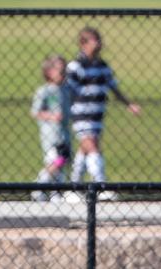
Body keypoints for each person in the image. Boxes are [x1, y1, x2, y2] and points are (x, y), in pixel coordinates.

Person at [65, 27, 141, 199]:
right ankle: (100, 185)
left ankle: (73, 187)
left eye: (98, 40)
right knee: (92, 146)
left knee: (85, 149)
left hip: (96, 115)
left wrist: (128, 104)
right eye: (93, 40)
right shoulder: (76, 67)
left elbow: (113, 88)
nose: (98, 44)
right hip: (81, 115)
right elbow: (67, 92)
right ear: (83, 43)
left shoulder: (102, 66)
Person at [29, 55, 71, 202]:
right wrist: (51, 116)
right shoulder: (44, 91)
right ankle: (39, 186)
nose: (63, 73)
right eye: (60, 70)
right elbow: (35, 111)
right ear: (49, 72)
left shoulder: (65, 89)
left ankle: (56, 194)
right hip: (50, 134)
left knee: (62, 163)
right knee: (56, 161)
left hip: (63, 133)